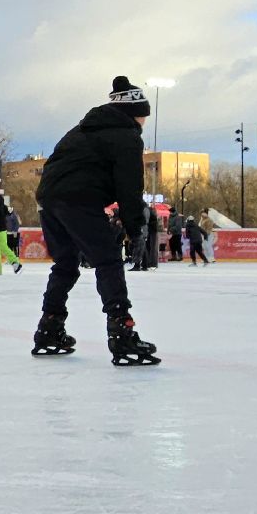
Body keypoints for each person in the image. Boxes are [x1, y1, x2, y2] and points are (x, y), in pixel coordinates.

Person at [30, 76, 159, 365]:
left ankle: (49, 327)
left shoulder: (81, 129)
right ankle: (121, 332)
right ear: (132, 114)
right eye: (142, 116)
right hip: (79, 199)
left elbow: (55, 165)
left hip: (49, 198)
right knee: (109, 260)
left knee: (65, 264)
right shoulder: (127, 136)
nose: (143, 123)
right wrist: (135, 225)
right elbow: (129, 186)